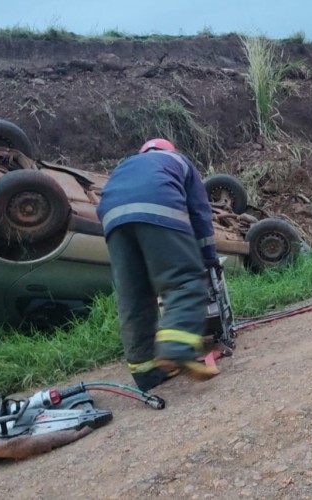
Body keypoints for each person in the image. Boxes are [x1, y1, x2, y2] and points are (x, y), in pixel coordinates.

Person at [97, 138, 221, 392]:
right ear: (170, 150)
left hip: (112, 219)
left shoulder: (126, 165)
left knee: (134, 295)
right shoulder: (180, 161)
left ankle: (145, 372)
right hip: (157, 206)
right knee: (184, 280)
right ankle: (176, 348)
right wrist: (207, 258)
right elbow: (199, 213)